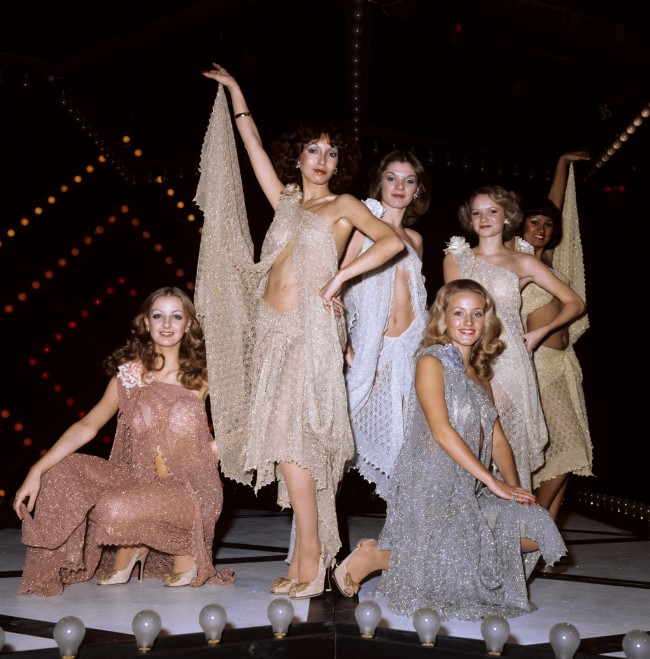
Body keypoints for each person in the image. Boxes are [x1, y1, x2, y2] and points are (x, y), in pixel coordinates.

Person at [195, 64, 404, 600]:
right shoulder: (287, 201)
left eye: (332, 152)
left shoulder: (344, 205)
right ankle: (312, 552)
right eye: (314, 150)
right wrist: (238, 92)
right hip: (272, 329)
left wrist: (341, 276)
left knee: (294, 443)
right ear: (300, 155)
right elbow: (254, 149)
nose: (323, 159)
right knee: (285, 443)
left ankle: (312, 558)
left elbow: (390, 244)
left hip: (312, 329)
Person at [331, 279, 567, 620]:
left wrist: (513, 488)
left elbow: (497, 438)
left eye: (477, 313)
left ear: (486, 320)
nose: (468, 322)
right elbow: (441, 431)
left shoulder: (480, 373)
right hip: (430, 483)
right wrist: (492, 482)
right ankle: (374, 558)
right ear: (443, 317)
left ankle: (390, 552)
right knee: (455, 563)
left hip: (468, 484)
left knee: (534, 529)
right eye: (458, 313)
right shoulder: (431, 362)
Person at [13, 286, 234, 596]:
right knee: (60, 472)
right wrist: (35, 470)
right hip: (140, 481)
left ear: (188, 325)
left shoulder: (202, 373)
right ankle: (137, 543)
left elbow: (248, 420)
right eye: (158, 316)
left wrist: (218, 446)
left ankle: (175, 546)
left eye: (176, 316)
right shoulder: (129, 376)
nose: (167, 324)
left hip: (191, 490)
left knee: (112, 509)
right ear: (146, 323)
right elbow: (88, 425)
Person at [442, 186, 586, 493]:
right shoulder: (456, 260)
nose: (483, 218)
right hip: (471, 359)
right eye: (477, 212)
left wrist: (539, 332)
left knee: (507, 441)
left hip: (511, 362)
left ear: (507, 216)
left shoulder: (523, 262)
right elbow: (452, 315)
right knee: (473, 436)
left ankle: (512, 523)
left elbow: (575, 303)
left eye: (492, 211)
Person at [341, 149, 430, 499]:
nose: (399, 186)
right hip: (370, 349)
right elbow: (340, 284)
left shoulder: (416, 239)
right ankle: (317, 536)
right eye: (391, 177)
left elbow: (418, 298)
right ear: (379, 182)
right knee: (342, 436)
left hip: (410, 348)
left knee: (410, 441)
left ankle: (405, 533)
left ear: (417, 190)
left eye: (408, 181)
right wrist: (346, 343)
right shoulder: (361, 230)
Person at [515, 154, 593, 519]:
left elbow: (556, 207)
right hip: (538, 365)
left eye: (547, 224)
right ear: (521, 225)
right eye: (534, 222)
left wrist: (562, 163)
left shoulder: (551, 263)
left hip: (564, 365)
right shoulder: (517, 258)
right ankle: (532, 525)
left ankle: (539, 542)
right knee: (569, 448)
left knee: (568, 455)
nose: (542, 228)